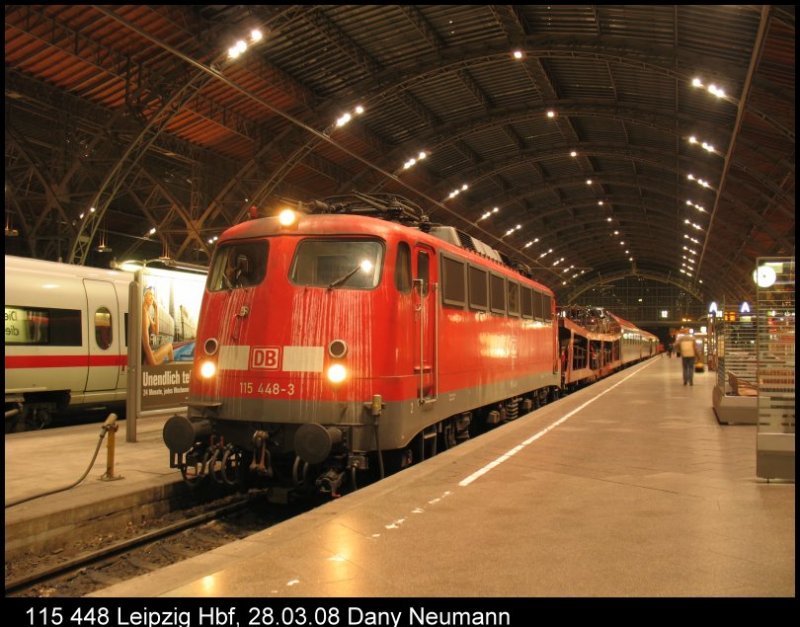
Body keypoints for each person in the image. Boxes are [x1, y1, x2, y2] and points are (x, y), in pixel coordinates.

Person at [142, 286, 174, 366]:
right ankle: (173, 370)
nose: (152, 298)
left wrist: (156, 310)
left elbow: (156, 331)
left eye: (153, 295)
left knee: (161, 356)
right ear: (145, 297)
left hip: (145, 354)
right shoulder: (144, 315)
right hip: (145, 357)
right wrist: (154, 363)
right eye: (150, 295)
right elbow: (146, 344)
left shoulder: (146, 312)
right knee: (169, 346)